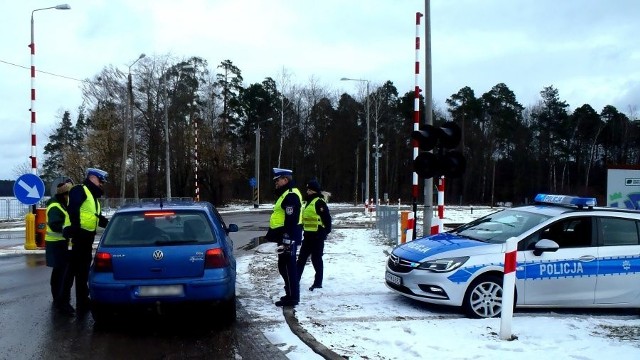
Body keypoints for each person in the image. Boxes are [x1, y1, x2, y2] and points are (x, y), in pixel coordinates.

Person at [64, 168, 109, 313]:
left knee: (83, 271)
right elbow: (73, 210)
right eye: (100, 180)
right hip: (78, 236)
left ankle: (83, 301)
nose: (102, 183)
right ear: (91, 178)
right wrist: (75, 230)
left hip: (87, 237)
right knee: (71, 271)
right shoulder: (80, 190)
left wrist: (112, 224)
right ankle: (63, 302)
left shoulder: (93, 197)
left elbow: (95, 217)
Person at [264, 168, 303, 307]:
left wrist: (287, 239)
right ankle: (290, 294)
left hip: (288, 237)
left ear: (285, 180)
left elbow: (291, 219)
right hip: (285, 236)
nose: (276, 182)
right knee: (284, 266)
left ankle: (293, 297)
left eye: (278, 180)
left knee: (288, 267)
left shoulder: (290, 195)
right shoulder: (286, 193)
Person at [45, 178, 75, 315]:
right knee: (61, 275)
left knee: (59, 274)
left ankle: (59, 300)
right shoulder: (55, 206)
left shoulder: (61, 204)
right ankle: (60, 302)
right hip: (56, 244)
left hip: (60, 244)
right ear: (64, 194)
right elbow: (54, 224)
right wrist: (68, 230)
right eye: (69, 194)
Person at [296, 179, 332, 291]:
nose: (307, 192)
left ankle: (318, 283)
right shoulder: (307, 203)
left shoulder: (319, 202)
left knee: (316, 260)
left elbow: (327, 220)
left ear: (314, 191)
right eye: (307, 190)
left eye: (309, 190)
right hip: (307, 236)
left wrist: (324, 233)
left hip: (317, 236)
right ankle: (295, 281)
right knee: (301, 259)